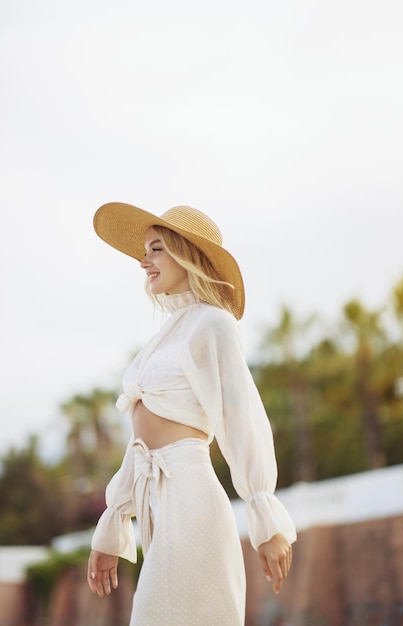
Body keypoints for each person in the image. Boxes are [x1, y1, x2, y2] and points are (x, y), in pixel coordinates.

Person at [87, 202, 297, 625]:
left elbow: (242, 420)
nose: (145, 262)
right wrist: (113, 524)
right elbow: (139, 444)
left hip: (190, 500)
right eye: (145, 251)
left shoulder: (213, 325)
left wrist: (264, 514)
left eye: (157, 249)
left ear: (187, 254)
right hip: (156, 505)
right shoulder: (164, 335)